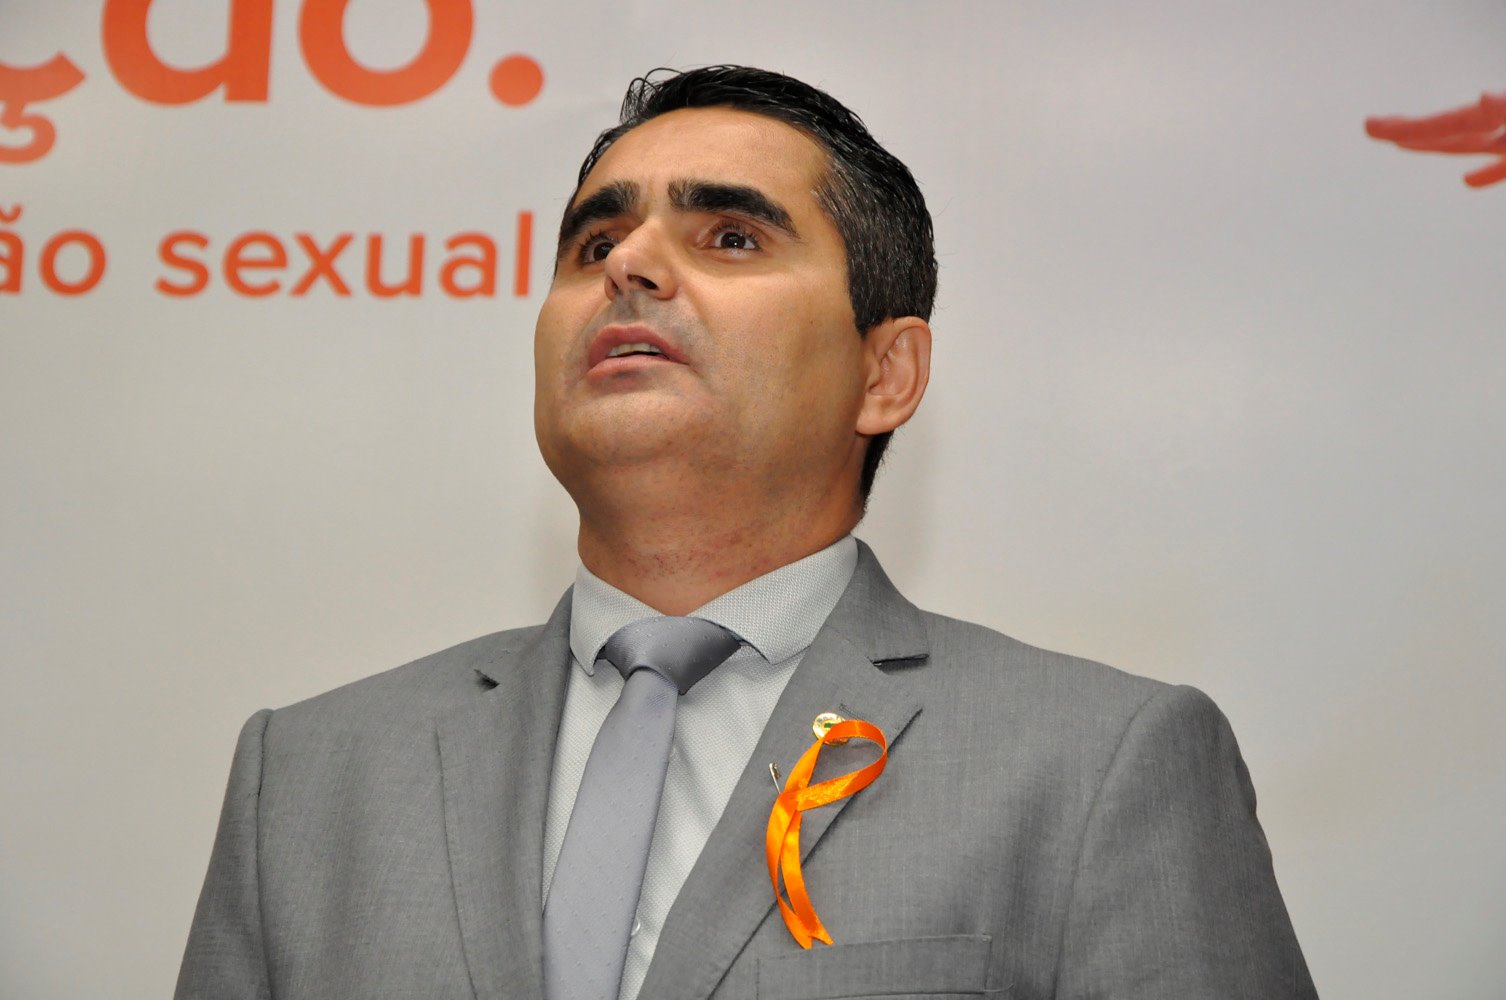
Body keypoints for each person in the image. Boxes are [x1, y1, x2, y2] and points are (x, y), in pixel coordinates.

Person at [176, 65, 1317, 1000]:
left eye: (729, 237)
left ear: (885, 372)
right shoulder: (311, 778)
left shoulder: (1101, 764)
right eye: (594, 245)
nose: (630, 265)